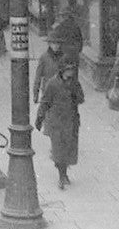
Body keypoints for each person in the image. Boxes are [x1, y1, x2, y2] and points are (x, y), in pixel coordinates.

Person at [36, 61, 84, 189]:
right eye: (68, 69)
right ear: (62, 70)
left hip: (71, 121)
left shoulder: (75, 83)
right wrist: (39, 117)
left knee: (68, 150)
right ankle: (61, 176)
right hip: (56, 122)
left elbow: (81, 99)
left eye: (72, 69)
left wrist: (75, 94)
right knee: (58, 150)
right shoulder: (52, 83)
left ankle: (64, 174)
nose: (71, 72)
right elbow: (45, 101)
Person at [32, 31, 68, 104]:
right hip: (47, 92)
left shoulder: (64, 58)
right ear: (49, 44)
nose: (55, 46)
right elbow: (38, 76)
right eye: (53, 43)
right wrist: (36, 93)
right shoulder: (44, 57)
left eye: (57, 43)